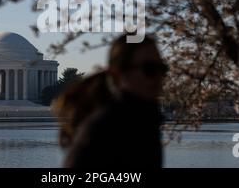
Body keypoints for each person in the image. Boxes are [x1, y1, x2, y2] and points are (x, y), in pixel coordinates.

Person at [54, 34, 168, 168]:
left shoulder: (143, 122)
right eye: (149, 69)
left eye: (162, 69)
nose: (158, 77)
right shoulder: (105, 131)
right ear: (118, 74)